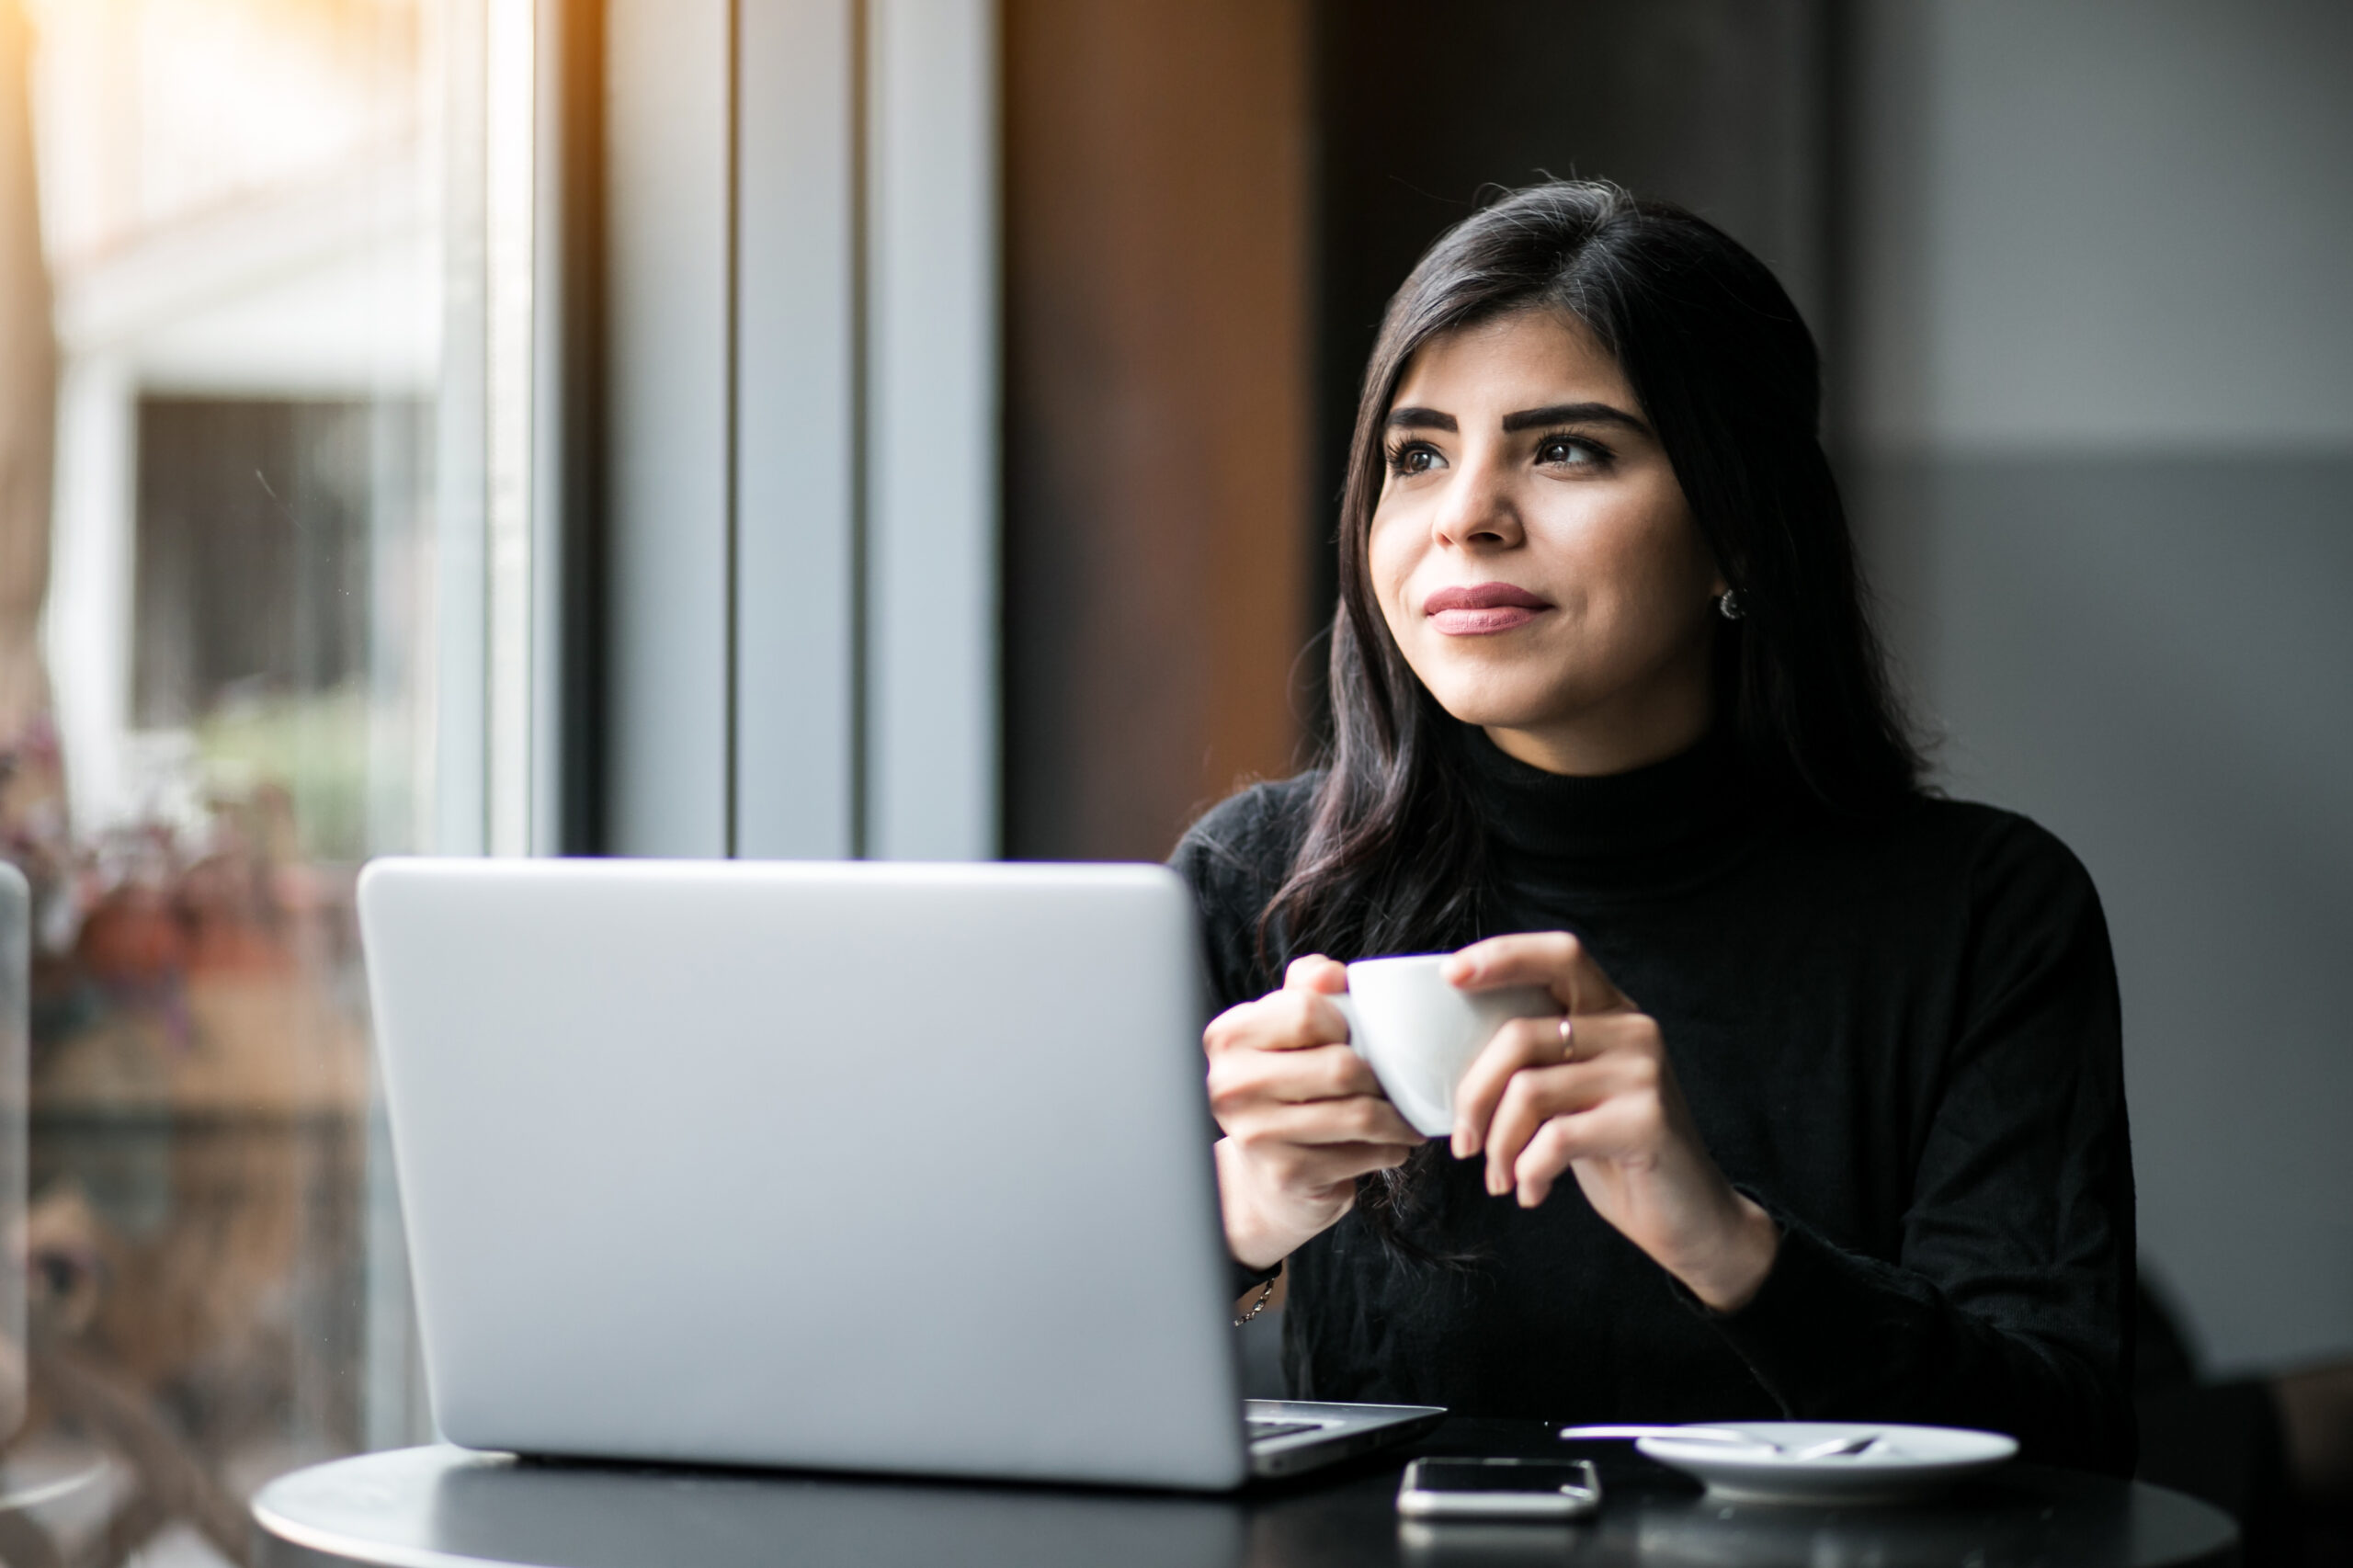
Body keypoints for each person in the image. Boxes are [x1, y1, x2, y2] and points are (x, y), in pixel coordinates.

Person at [1173, 180, 2135, 1473]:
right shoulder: (1258, 884)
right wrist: (1239, 1217)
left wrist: (1723, 1241)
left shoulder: (1985, 914)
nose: (1466, 515)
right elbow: (999, 1367)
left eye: (1566, 448)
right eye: (1417, 454)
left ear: (1741, 524)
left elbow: (2071, 1447)